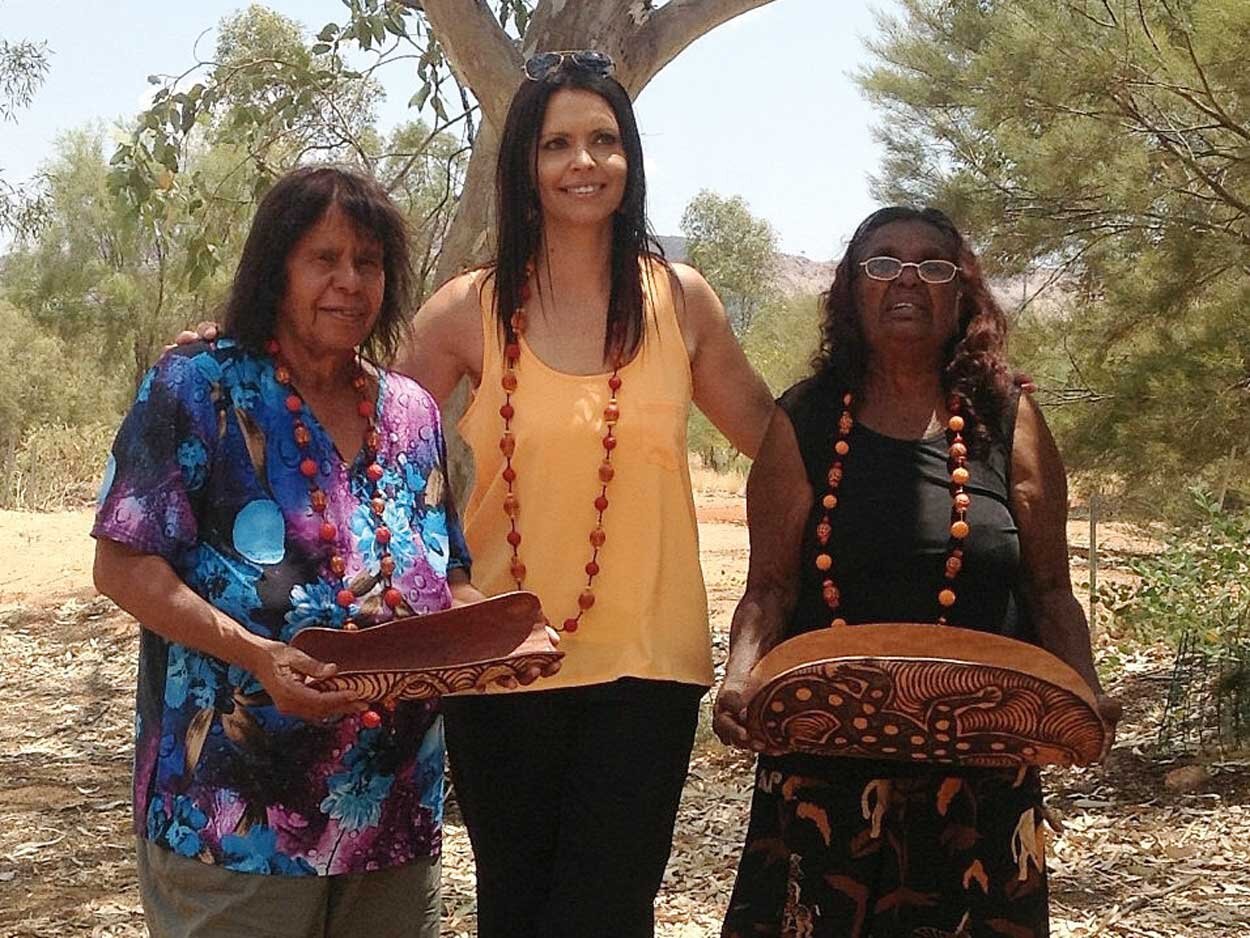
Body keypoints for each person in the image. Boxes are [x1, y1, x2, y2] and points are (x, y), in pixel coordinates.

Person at [403, 51, 777, 937]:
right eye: (557, 143)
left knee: (605, 913)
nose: (583, 162)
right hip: (500, 656)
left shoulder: (680, 301)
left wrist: (941, 400)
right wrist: (238, 356)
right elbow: (371, 446)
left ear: (629, 158)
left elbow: (773, 433)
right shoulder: (466, 310)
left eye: (603, 141)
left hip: (644, 667)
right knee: (517, 910)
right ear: (524, 167)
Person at [712, 206, 1121, 938]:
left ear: (963, 295)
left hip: (982, 758)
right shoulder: (803, 419)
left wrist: (1081, 689)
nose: (907, 278)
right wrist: (741, 676)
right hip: (826, 750)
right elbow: (769, 588)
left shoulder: (1008, 418)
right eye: (882, 262)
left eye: (934, 265)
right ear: (850, 290)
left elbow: (1050, 588)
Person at [92, 166, 478, 938]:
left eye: (367, 263)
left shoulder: (411, 412)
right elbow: (124, 566)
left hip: (391, 811)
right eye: (323, 259)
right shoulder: (196, 387)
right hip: (234, 819)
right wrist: (257, 654)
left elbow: (450, 571)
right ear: (276, 269)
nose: (349, 283)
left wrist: (486, 643)